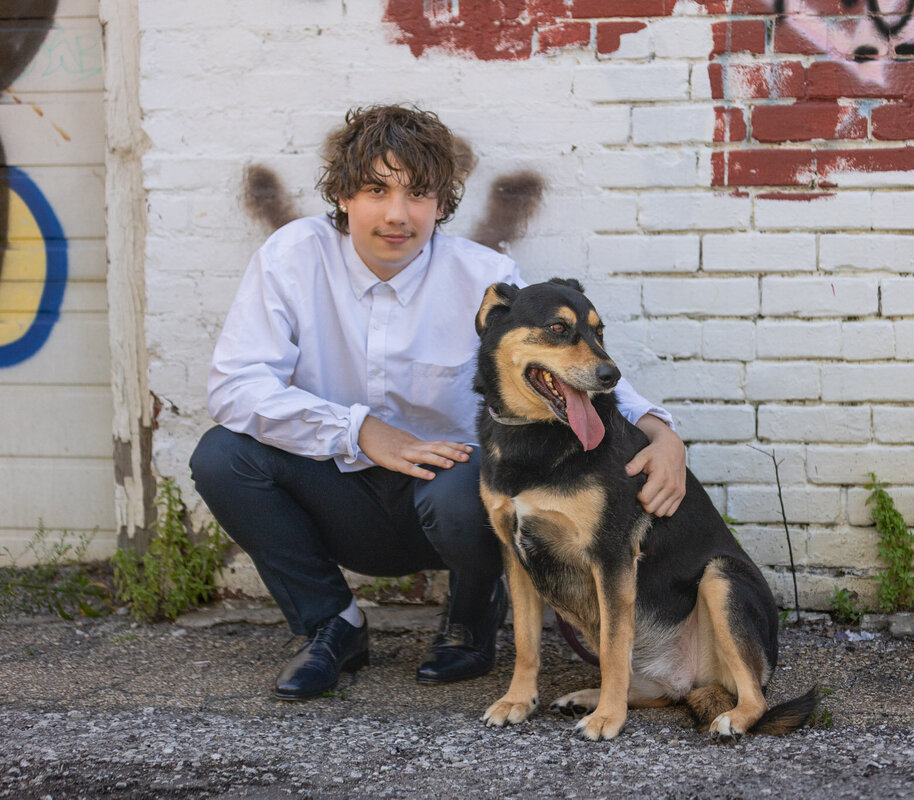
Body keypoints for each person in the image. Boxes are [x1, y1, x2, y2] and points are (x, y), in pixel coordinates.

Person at [189, 105, 687, 700]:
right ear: (344, 194)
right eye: (377, 189)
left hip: (451, 503)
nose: (398, 214)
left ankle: (472, 621)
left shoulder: (482, 276)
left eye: (419, 193)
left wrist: (661, 431)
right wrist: (360, 430)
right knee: (222, 457)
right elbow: (235, 384)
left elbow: (562, 358)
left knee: (474, 480)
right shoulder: (291, 258)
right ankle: (331, 625)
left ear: (441, 204)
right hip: (335, 493)